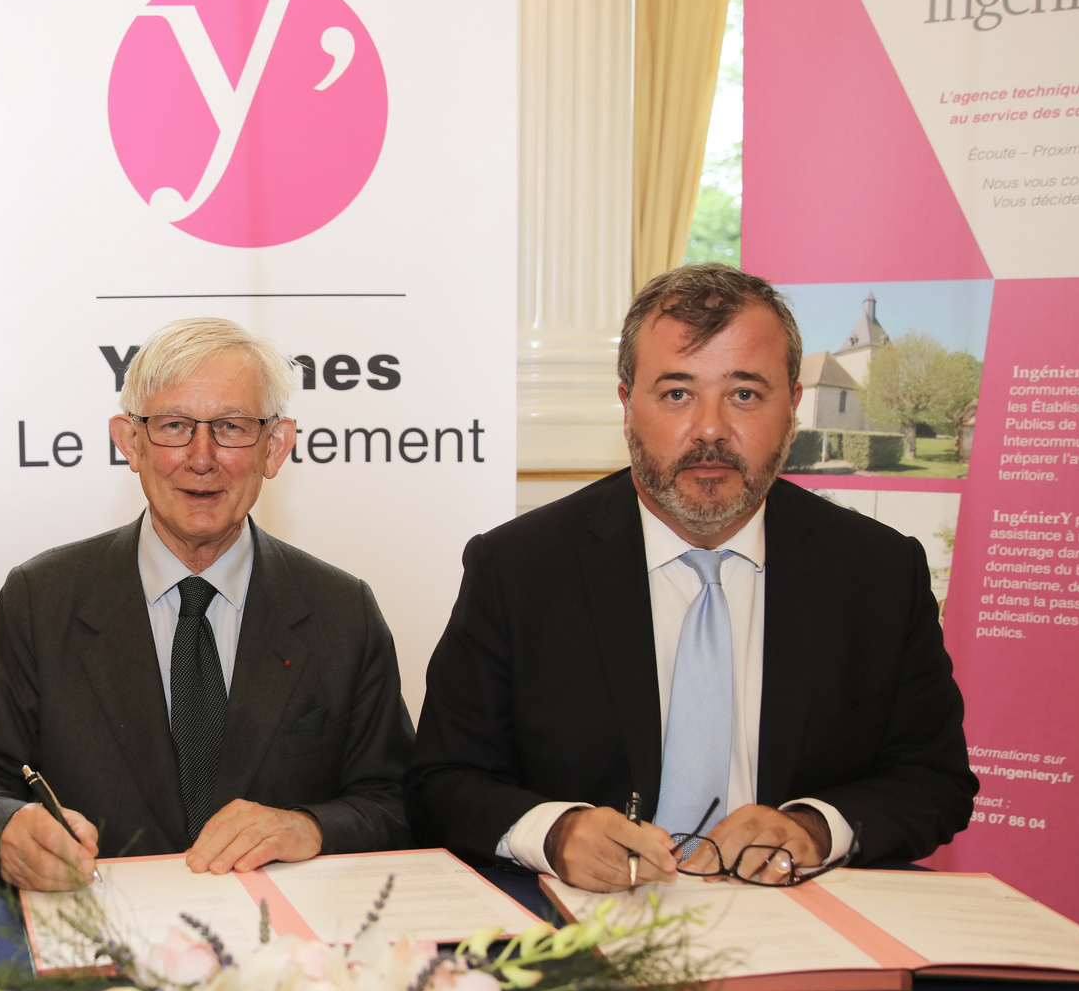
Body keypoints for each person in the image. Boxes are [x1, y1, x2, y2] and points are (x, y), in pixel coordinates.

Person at [407, 264, 975, 890]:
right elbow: (442, 781)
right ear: (627, 405)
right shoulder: (518, 569)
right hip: (589, 922)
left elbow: (933, 781)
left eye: (745, 395)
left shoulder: (878, 572)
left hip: (802, 913)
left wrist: (814, 828)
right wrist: (554, 832)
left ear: (792, 408)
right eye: (677, 393)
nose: (710, 430)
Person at [0, 317, 413, 889]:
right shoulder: (42, 598)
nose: (201, 457)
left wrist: (310, 826)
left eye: (232, 427)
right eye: (174, 426)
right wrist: (7, 828)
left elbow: (399, 803)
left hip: (279, 936)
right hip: (99, 928)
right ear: (129, 442)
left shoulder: (343, 611)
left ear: (275, 447)